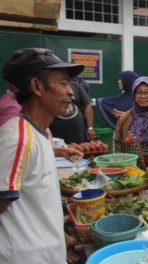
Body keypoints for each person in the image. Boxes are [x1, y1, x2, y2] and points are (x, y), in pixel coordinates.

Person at [0, 48, 83, 263]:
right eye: (63, 83)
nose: (71, 92)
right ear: (37, 86)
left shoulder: (37, 132)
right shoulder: (17, 139)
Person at [49, 79, 95, 144]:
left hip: (78, 133)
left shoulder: (75, 85)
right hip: (56, 134)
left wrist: (90, 127)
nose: (70, 92)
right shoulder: (49, 86)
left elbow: (87, 106)